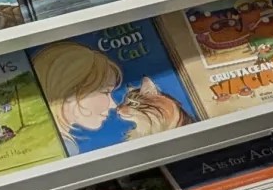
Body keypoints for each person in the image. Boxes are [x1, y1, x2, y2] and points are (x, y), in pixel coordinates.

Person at [38, 42, 190, 154]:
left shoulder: (67, 147)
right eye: (105, 92)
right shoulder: (60, 149)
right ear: (71, 90)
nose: (113, 105)